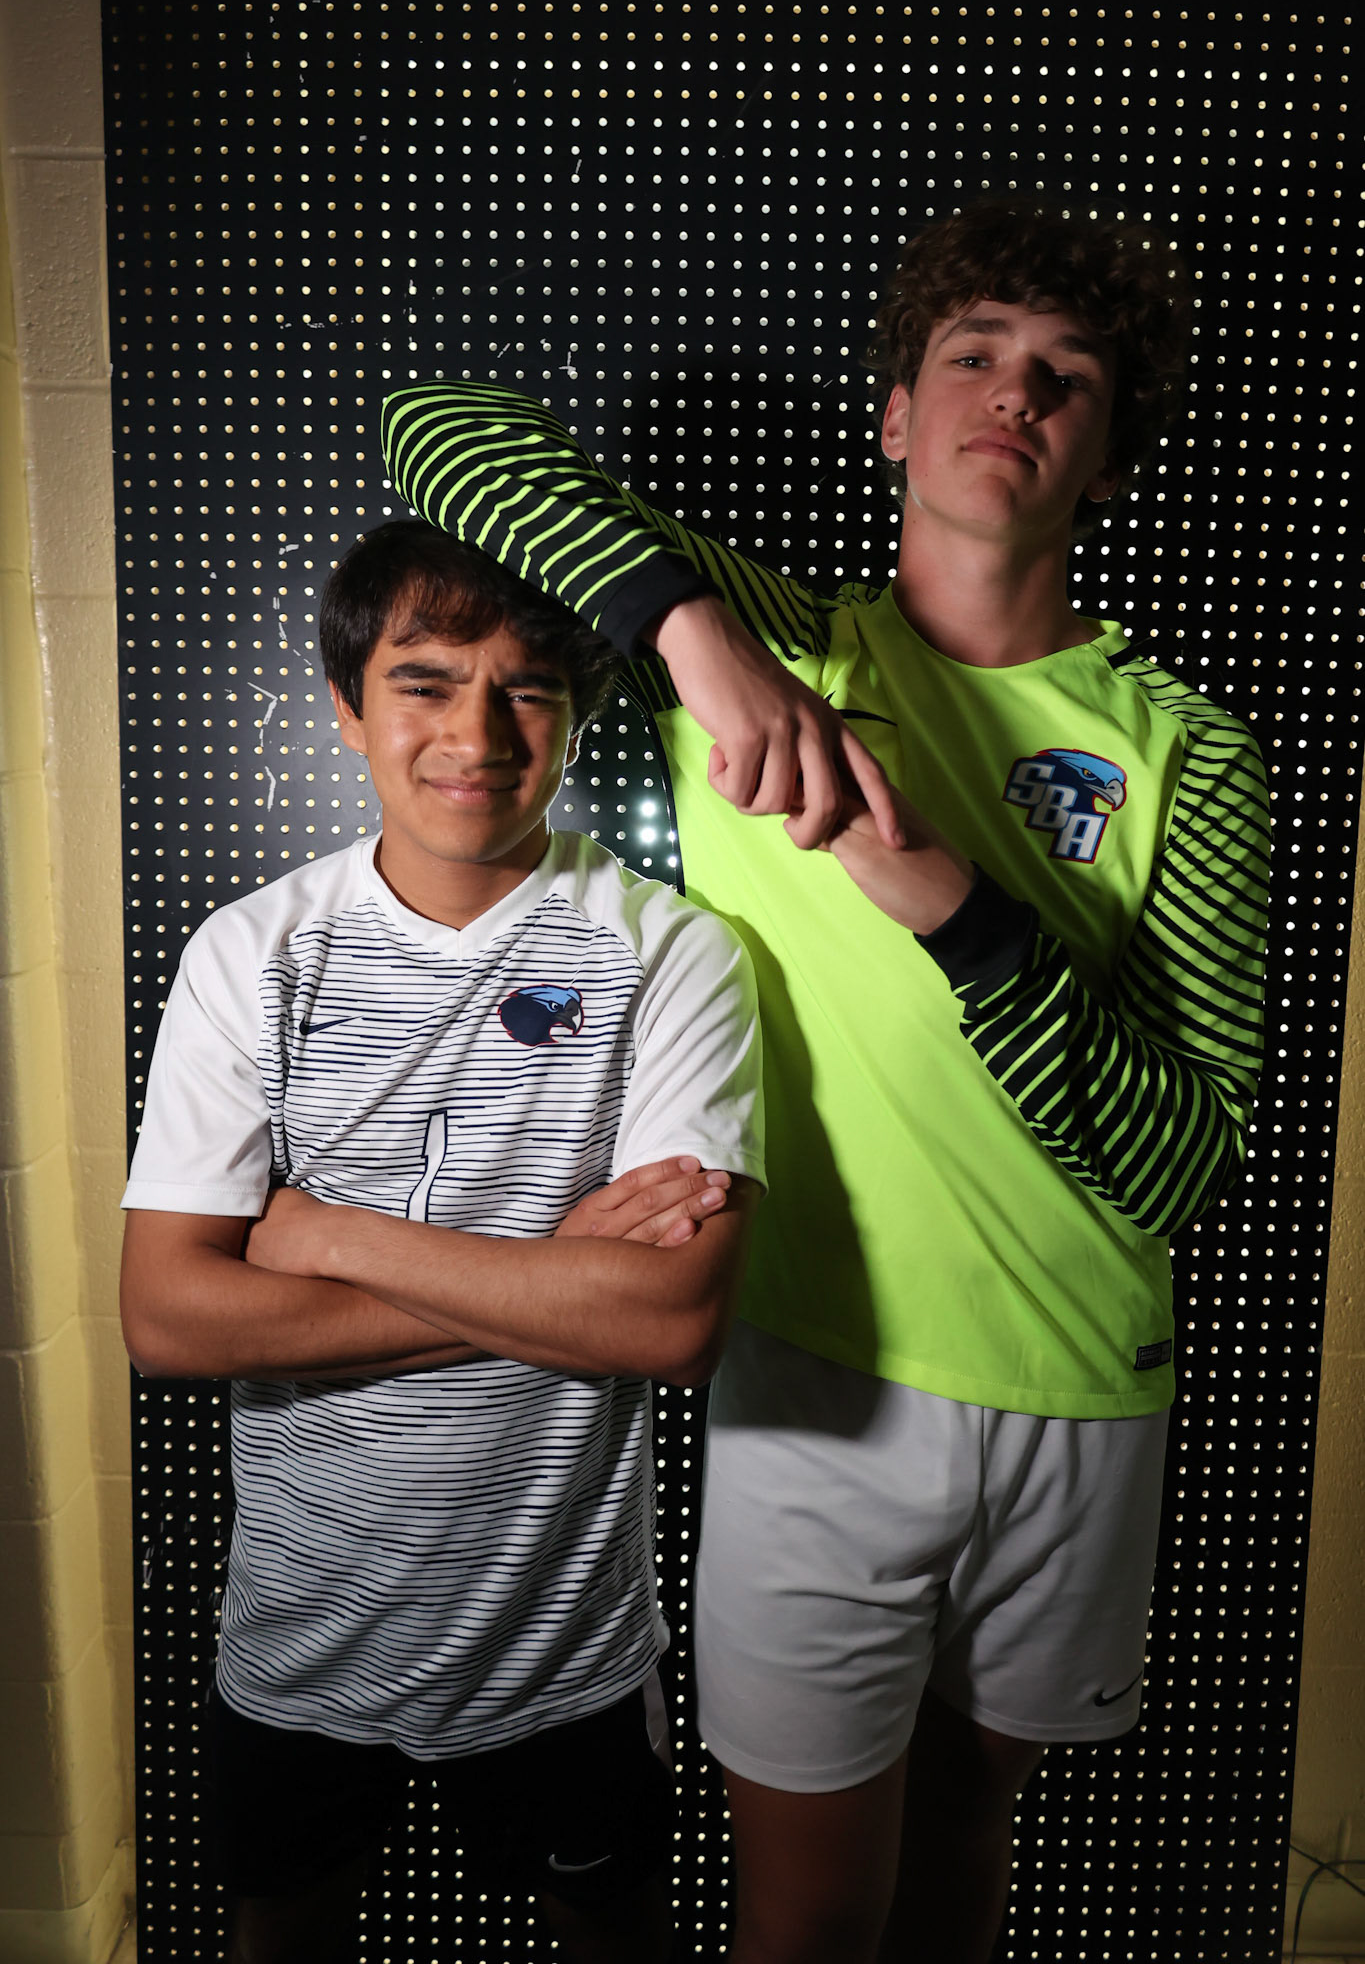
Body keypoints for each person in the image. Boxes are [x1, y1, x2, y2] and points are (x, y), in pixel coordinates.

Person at [379, 193, 1271, 1964]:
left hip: (1081, 1393)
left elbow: (1176, 1159)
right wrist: (686, 634)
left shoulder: (1195, 754)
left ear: (1101, 456)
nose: (1011, 394)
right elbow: (438, 426)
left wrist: (942, 895)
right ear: (893, 416)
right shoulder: (769, 644)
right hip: (816, 1392)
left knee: (966, 1845)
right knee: (800, 1924)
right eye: (971, 356)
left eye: (1063, 378)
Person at [119, 522, 765, 1964]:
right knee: (282, 1934)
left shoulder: (674, 951)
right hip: (297, 1636)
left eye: (527, 687)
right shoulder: (250, 952)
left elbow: (668, 1326)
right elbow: (168, 1318)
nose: (477, 731)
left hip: (565, 1652)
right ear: (347, 712)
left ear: (580, 713)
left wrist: (316, 1233)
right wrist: (555, 1282)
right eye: (424, 682)